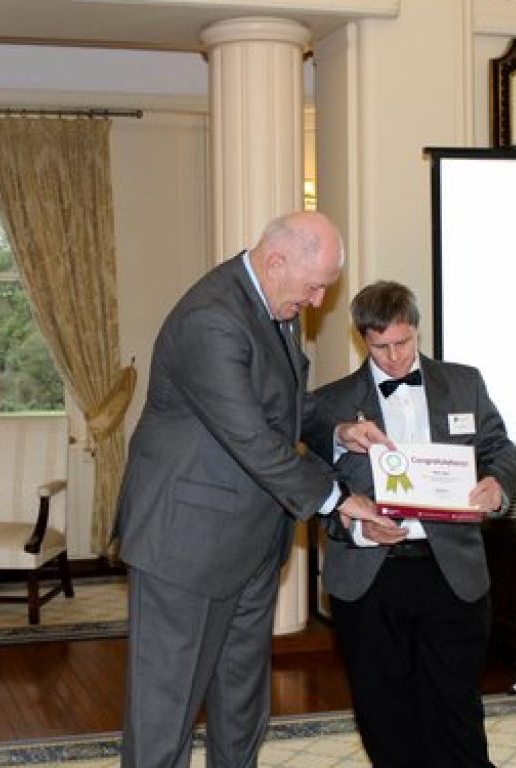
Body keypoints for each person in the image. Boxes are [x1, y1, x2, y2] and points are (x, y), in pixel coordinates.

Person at [112, 211, 397, 768]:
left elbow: (287, 407)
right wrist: (339, 500)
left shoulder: (276, 305)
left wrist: (336, 431)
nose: (318, 301)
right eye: (315, 286)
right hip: (184, 546)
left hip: (250, 542)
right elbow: (252, 439)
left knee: (241, 703)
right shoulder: (210, 320)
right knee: (164, 713)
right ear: (275, 261)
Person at [301, 280, 516, 768]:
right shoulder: (328, 404)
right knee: (384, 711)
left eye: (404, 342)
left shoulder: (464, 382)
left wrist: (496, 486)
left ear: (417, 330)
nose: (396, 357)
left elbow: (499, 450)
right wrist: (356, 525)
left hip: (451, 570)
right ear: (363, 339)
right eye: (381, 347)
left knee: (456, 707)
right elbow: (311, 484)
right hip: (370, 574)